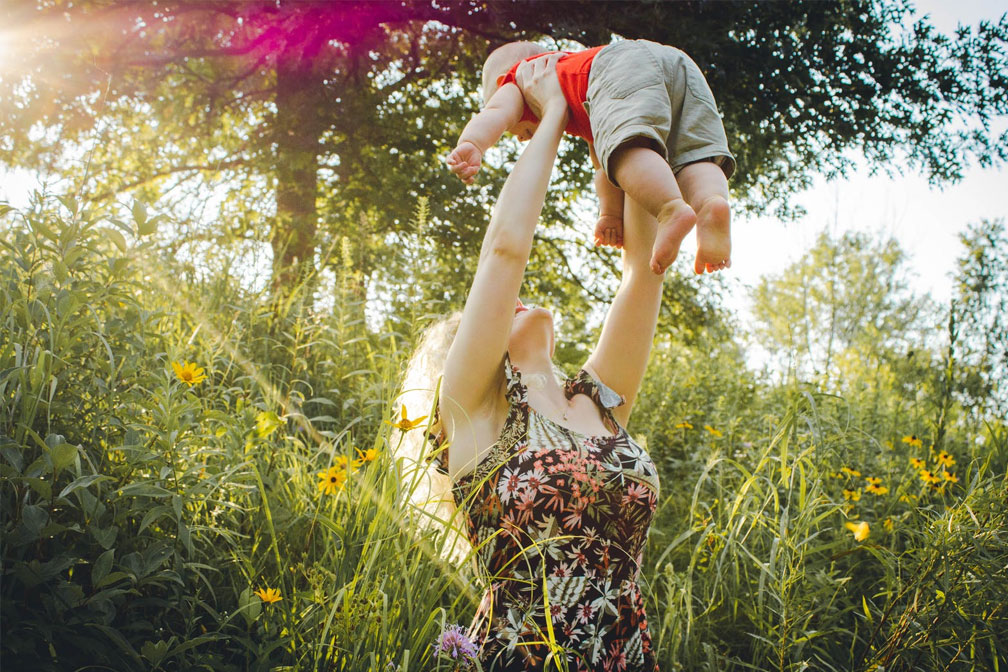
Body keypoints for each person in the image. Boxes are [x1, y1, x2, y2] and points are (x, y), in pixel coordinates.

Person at [399, 55, 663, 670]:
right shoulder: (475, 415)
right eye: (489, 317)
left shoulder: (596, 401)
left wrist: (620, 126)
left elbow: (644, 277)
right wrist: (549, 120)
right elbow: (504, 251)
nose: (511, 301)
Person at [446, 39, 736, 276]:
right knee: (693, 154)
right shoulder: (585, 93)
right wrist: (610, 214)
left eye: (515, 131)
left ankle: (671, 209)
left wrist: (473, 143)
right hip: (677, 63)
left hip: (620, 65)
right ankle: (710, 204)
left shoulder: (521, 78)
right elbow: (603, 165)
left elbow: (495, 113)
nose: (521, 136)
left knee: (627, 152)